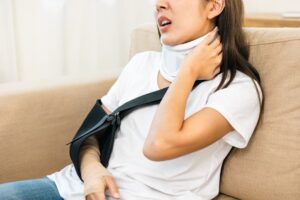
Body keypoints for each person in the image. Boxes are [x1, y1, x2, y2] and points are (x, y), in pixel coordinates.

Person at [0, 0, 263, 199]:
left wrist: (188, 71)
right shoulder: (142, 63)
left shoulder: (238, 89)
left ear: (214, 6)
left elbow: (158, 145)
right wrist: (92, 170)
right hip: (73, 186)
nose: (159, 4)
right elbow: (90, 134)